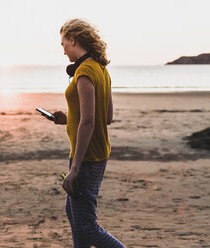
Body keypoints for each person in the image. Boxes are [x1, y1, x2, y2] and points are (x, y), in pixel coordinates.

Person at [52, 18, 125, 248]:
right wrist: (68, 119)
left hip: (86, 157)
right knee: (75, 215)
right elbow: (107, 116)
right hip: (97, 153)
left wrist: (75, 168)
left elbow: (90, 122)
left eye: (63, 44)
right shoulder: (101, 69)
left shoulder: (84, 72)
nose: (63, 50)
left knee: (85, 224)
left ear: (73, 40)